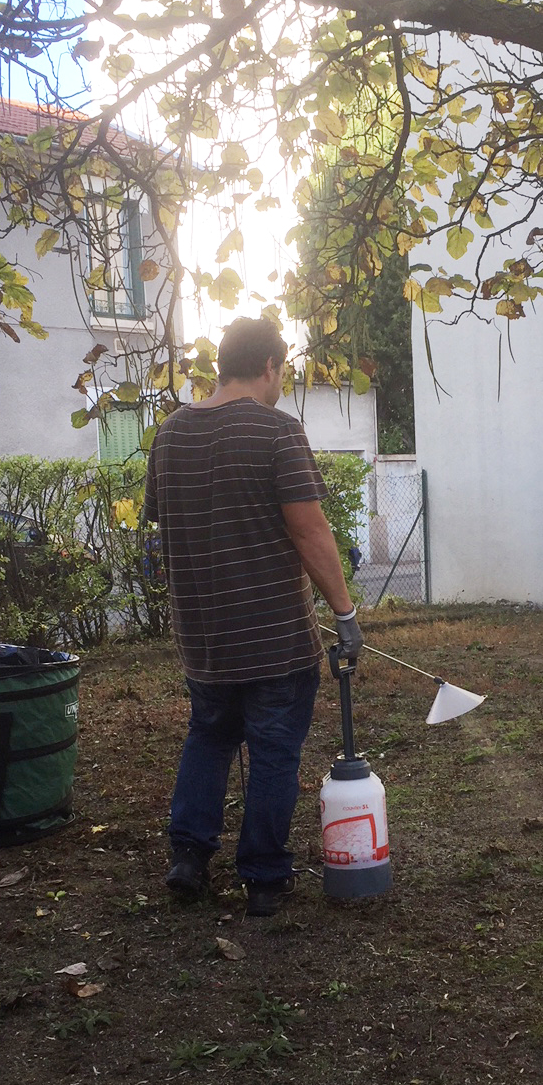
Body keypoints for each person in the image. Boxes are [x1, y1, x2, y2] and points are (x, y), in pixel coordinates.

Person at [142, 317, 364, 917]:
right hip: (275, 640)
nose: (282, 381)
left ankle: (188, 857)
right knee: (272, 754)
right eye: (283, 369)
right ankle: (263, 877)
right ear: (269, 365)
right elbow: (310, 530)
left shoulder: (170, 435)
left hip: (204, 638)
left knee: (209, 738)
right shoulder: (277, 432)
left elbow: (167, 528)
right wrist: (344, 613)